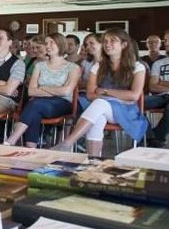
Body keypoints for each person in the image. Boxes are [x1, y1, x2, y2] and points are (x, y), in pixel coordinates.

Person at [55, 28, 147, 158]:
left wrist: (105, 91)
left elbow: (133, 96)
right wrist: (120, 95)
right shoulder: (98, 66)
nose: (107, 44)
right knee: (98, 114)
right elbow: (90, 95)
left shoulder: (137, 67)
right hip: (104, 109)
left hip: (128, 111)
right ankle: (93, 160)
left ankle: (67, 143)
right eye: (105, 41)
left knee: (99, 105)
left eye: (112, 41)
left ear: (124, 45)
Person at [4, 33, 80, 148]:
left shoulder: (73, 67)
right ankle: (30, 148)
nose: (48, 46)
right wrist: (55, 90)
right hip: (39, 103)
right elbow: (31, 91)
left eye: (51, 43)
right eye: (46, 43)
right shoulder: (40, 66)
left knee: (35, 104)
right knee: (35, 108)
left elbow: (66, 92)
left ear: (60, 44)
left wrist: (43, 88)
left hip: (63, 104)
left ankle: (12, 140)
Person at [77, 33, 102, 109]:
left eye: (91, 43)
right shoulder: (85, 63)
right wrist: (93, 84)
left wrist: (88, 84)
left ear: (102, 43)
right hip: (82, 94)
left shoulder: (110, 63)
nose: (88, 47)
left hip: (100, 96)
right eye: (86, 44)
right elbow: (77, 83)